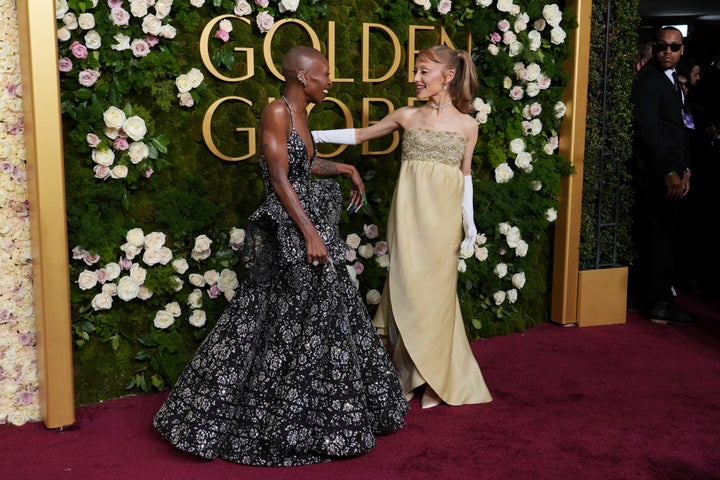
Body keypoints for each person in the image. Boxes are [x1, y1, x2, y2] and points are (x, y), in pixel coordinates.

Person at [153, 45, 408, 466]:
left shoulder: (303, 114)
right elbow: (277, 175)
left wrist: (344, 168)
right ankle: (270, 418)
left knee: (313, 315)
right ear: (303, 77)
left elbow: (303, 165)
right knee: (277, 315)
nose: (331, 81)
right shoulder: (276, 111)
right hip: (289, 230)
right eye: (325, 74)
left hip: (308, 223)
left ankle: (315, 414)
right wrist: (309, 232)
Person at [312, 45, 493, 409]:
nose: (416, 78)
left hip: (445, 222)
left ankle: (435, 379)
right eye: (416, 71)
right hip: (409, 216)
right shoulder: (407, 116)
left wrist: (469, 222)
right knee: (407, 288)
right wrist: (310, 135)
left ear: (449, 76)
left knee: (438, 297)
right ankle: (408, 372)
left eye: (424, 71)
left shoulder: (467, 125)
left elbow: (466, 176)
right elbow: (362, 135)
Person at [628, 26, 698, 325]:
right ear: (654, 49)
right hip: (657, 173)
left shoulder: (671, 81)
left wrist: (685, 169)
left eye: (673, 47)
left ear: (682, 50)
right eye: (661, 47)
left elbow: (679, 129)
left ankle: (650, 298)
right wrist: (669, 172)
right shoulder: (650, 82)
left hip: (672, 170)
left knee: (664, 236)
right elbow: (650, 131)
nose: (667, 52)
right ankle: (660, 304)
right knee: (660, 238)